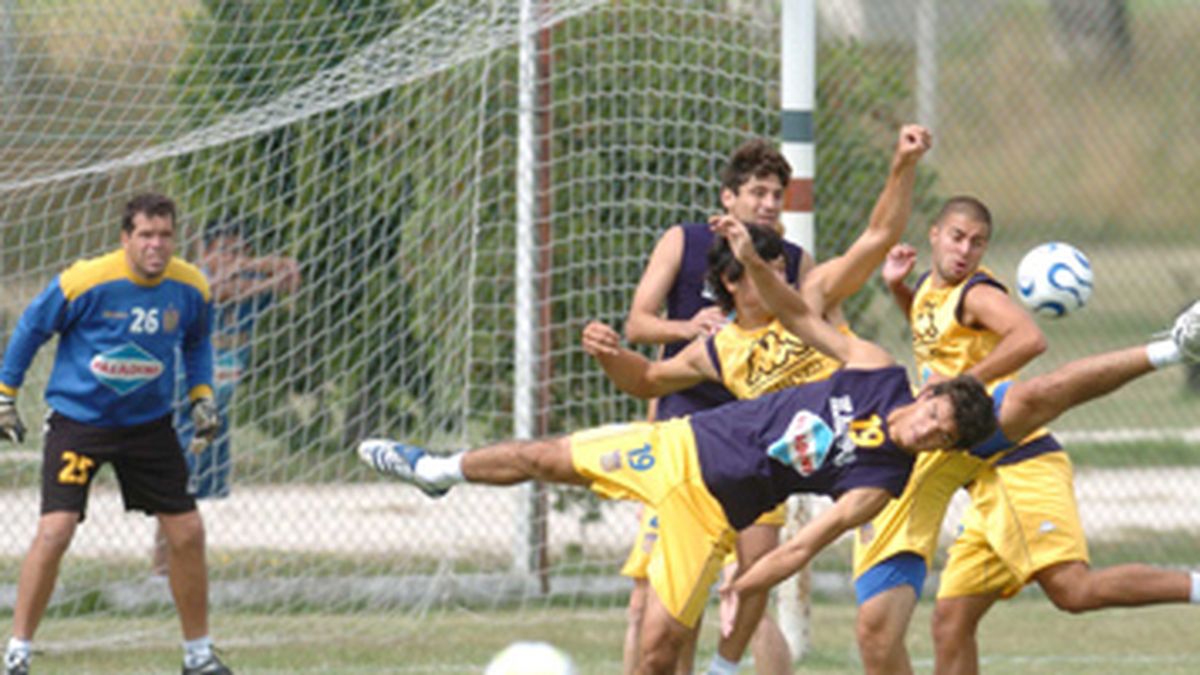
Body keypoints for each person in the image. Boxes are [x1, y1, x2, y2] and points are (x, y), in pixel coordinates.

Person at [356, 214, 1200, 675]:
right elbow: (798, 312)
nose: (929, 424)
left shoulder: (879, 481)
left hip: (716, 508)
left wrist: (742, 581)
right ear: (930, 391)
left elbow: (804, 544)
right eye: (937, 412)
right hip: (684, 448)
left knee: (656, 650)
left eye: (942, 431)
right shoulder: (873, 366)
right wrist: (747, 258)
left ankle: (1168, 347)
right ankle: (435, 467)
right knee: (547, 455)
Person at [611, 125, 930, 673]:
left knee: (755, 581)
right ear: (727, 201)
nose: (767, 204)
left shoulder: (803, 296)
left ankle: (724, 667)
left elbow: (875, 239)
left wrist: (902, 164)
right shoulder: (692, 267)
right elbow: (644, 363)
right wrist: (678, 332)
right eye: (756, 192)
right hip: (688, 433)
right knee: (658, 606)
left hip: (767, 447)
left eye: (775, 195)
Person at [848, 196, 1200, 675]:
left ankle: (1171, 349)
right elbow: (934, 334)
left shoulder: (977, 293)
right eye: (957, 237)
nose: (965, 250)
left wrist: (963, 383)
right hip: (982, 479)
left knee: (1073, 591)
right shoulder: (931, 288)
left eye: (977, 243)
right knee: (951, 621)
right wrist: (898, 290)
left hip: (1016, 461)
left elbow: (1030, 340)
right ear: (934, 234)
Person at [0, 193, 233, 675]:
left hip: (148, 427)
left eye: (165, 235)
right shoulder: (84, 281)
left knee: (187, 531)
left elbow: (195, 343)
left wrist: (202, 395)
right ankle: (17, 653)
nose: (156, 245)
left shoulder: (191, 287)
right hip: (80, 423)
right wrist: (5, 393)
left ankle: (199, 656)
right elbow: (30, 329)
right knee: (56, 529)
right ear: (125, 238)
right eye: (146, 235)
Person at [151, 218, 301, 575]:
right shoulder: (188, 280)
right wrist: (240, 278)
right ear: (204, 252)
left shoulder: (249, 280)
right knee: (175, 487)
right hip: (181, 396)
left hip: (217, 406)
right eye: (222, 251)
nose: (231, 259)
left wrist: (245, 267)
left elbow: (291, 274)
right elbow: (214, 291)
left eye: (238, 251)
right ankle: (160, 569)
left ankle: (180, 567)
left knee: (195, 491)